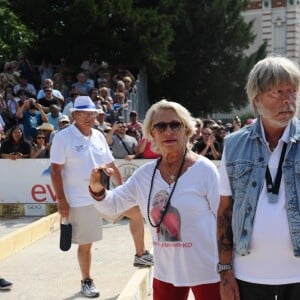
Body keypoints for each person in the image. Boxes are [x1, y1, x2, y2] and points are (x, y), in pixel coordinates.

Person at [88, 99, 221, 300]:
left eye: (175, 125)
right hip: (166, 274)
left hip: (208, 272)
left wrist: (228, 268)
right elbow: (112, 205)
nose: (168, 131)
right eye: (160, 126)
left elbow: (224, 221)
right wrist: (97, 189)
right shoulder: (144, 175)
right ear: (152, 133)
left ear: (187, 130)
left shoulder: (205, 170)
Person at [50, 96, 152, 298]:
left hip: (104, 195)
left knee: (136, 212)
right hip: (80, 199)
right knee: (87, 244)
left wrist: (123, 191)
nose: (89, 117)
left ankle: (140, 255)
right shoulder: (63, 137)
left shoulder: (97, 135)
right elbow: (55, 171)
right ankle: (86, 281)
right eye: (84, 113)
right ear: (74, 115)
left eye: (92, 114)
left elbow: (112, 165)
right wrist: (61, 200)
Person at [217, 56, 300, 300]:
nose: (288, 100)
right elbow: (225, 212)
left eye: (292, 91)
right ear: (256, 98)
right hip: (248, 275)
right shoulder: (233, 145)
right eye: (276, 92)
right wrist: (224, 272)